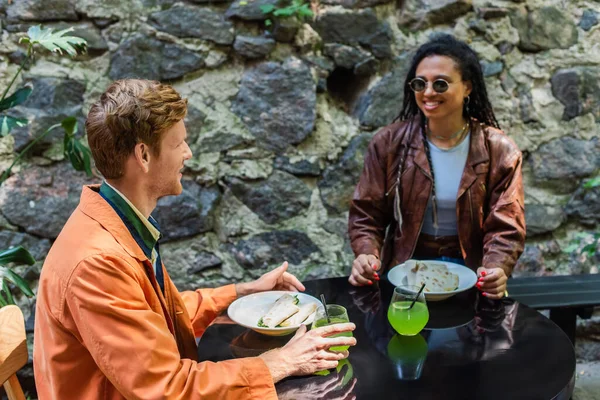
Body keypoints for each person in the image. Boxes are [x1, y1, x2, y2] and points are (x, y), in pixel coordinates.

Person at [33, 79, 356, 400]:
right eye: (179, 144)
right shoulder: (98, 263)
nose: (188, 153)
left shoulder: (115, 222)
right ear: (143, 155)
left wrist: (242, 292)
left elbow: (148, 318)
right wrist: (280, 362)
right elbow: (166, 389)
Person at [348, 34, 525, 299]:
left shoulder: (499, 149)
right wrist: (367, 254)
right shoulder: (388, 143)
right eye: (420, 83)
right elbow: (367, 213)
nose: (428, 92)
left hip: (472, 273)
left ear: (467, 87)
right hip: (404, 270)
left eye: (440, 84)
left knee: (475, 339)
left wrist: (495, 268)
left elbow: (506, 224)